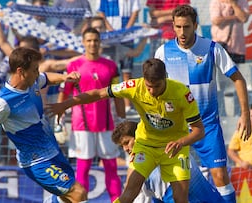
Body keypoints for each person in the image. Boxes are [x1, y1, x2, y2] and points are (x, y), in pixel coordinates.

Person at [46, 58, 206, 203]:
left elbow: (199, 130)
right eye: (148, 86)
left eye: (156, 86)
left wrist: (181, 142)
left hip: (175, 149)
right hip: (146, 146)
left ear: (165, 78)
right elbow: (98, 93)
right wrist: (65, 104)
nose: (151, 91)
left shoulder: (182, 93)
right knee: (130, 192)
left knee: (180, 199)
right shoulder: (134, 86)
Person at [0, 47, 88, 203]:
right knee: (78, 193)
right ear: (21, 71)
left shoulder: (33, 82)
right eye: (35, 69)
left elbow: (47, 78)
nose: (38, 73)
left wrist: (65, 77)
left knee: (67, 198)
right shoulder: (2, 103)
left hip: (52, 151)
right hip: (36, 162)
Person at [154, 5, 251, 203]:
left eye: (186, 27)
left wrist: (245, 114)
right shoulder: (163, 52)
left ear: (196, 25)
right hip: (176, 127)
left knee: (220, 176)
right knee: (174, 180)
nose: (182, 32)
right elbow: (154, 89)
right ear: (173, 25)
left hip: (206, 125)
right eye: (178, 27)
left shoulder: (211, 48)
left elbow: (239, 79)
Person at [58, 27, 125, 202]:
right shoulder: (74, 66)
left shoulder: (111, 66)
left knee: (111, 168)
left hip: (107, 124)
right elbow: (64, 93)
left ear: (100, 41)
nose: (92, 43)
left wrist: (123, 119)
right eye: (89, 40)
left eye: (95, 40)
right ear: (83, 42)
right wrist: (58, 120)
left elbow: (118, 93)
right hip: (81, 125)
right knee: (83, 168)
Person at [112, 120, 224, 203]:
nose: (125, 149)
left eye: (127, 142)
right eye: (122, 146)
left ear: (138, 137)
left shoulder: (163, 151)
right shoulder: (140, 163)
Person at [97, 0, 141, 115]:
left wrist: (125, 30)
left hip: (126, 37)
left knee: (127, 72)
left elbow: (135, 11)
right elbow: (100, 12)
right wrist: (111, 30)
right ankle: (109, 102)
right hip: (109, 38)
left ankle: (127, 105)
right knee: (109, 72)